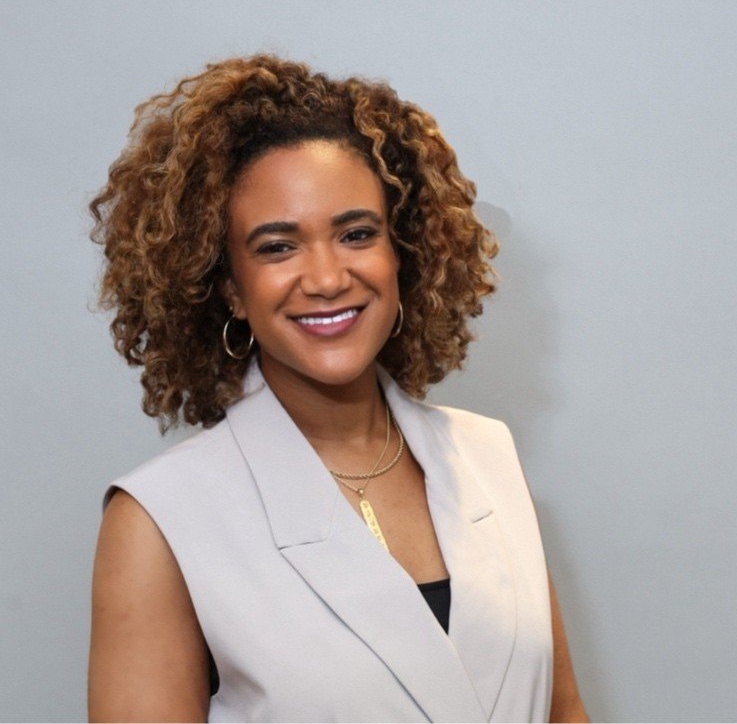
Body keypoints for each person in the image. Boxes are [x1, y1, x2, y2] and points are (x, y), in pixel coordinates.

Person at [87, 53, 588, 723]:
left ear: (401, 252)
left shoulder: (488, 455)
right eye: (277, 246)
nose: (326, 278)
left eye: (356, 234)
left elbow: (565, 714)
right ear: (230, 287)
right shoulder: (158, 519)